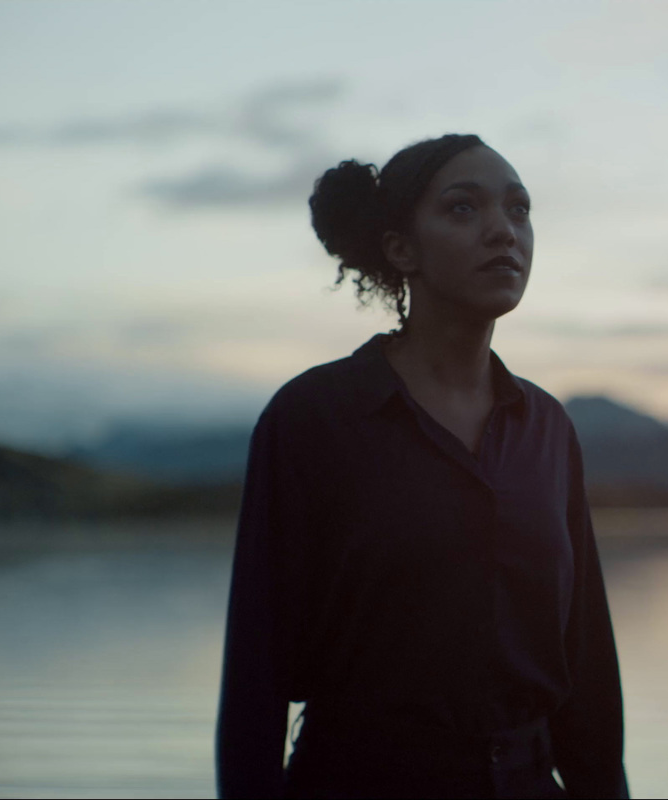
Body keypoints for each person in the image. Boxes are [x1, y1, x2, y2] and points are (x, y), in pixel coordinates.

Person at [214, 133, 628, 799]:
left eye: (519, 211)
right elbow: (255, 677)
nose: (504, 230)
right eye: (464, 209)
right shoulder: (314, 418)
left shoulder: (546, 427)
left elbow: (587, 664)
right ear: (401, 249)